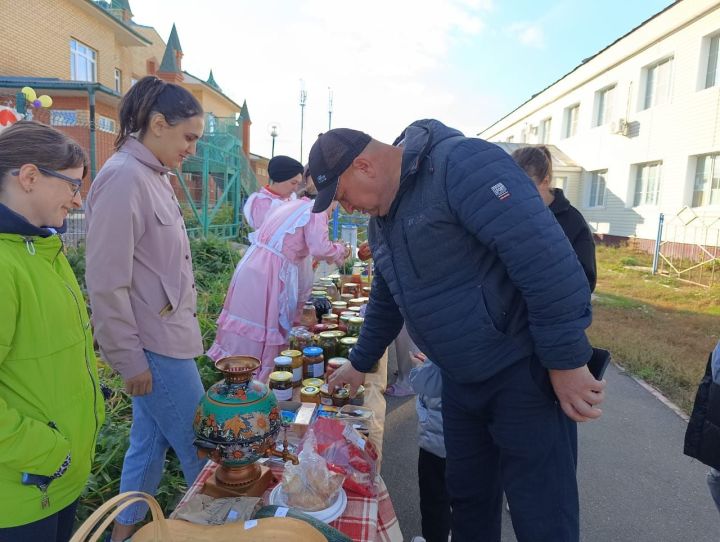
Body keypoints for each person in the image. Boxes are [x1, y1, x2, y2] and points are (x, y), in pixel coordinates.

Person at [313, 120, 605, 542]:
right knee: (468, 504)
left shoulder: (459, 165)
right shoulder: (383, 223)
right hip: (462, 382)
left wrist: (566, 362)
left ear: (363, 166)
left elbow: (545, 259)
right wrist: (359, 363)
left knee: (542, 516)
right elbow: (386, 298)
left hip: (521, 375)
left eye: (341, 196)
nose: (347, 209)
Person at [84, 76, 206, 542]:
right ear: (158, 124)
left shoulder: (151, 176)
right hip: (153, 347)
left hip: (168, 339)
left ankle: (125, 535)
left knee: (147, 446)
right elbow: (106, 280)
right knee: (204, 453)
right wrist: (128, 358)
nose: (191, 149)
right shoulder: (124, 178)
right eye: (188, 137)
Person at [0, 121, 104, 541]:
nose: (77, 199)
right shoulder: (7, 265)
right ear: (29, 177)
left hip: (52, 481)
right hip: (21, 495)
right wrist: (49, 453)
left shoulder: (43, 248)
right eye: (72, 185)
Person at [208, 197, 350, 382]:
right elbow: (320, 248)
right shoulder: (318, 209)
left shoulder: (296, 204)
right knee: (266, 326)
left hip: (253, 266)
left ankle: (238, 376)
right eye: (334, 208)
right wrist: (342, 249)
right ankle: (260, 379)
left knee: (251, 324)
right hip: (271, 273)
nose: (331, 214)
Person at [511, 145, 596, 291]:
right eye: (512, 186)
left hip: (551, 308)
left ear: (545, 181)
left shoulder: (573, 221)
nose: (518, 194)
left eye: (526, 187)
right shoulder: (508, 215)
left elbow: (586, 281)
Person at [357, 239, 416, 396]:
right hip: (396, 277)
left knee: (408, 331)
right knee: (401, 332)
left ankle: (411, 380)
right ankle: (407, 371)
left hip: (409, 280)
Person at [409, 353, 450, 542]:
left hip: (438, 439)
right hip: (473, 438)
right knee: (466, 499)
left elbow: (424, 382)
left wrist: (419, 367)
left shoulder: (449, 338)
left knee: (434, 498)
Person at [243, 155, 302, 233]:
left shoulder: (290, 198)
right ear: (279, 178)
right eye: (293, 183)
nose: (296, 189)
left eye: (298, 184)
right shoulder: (263, 203)